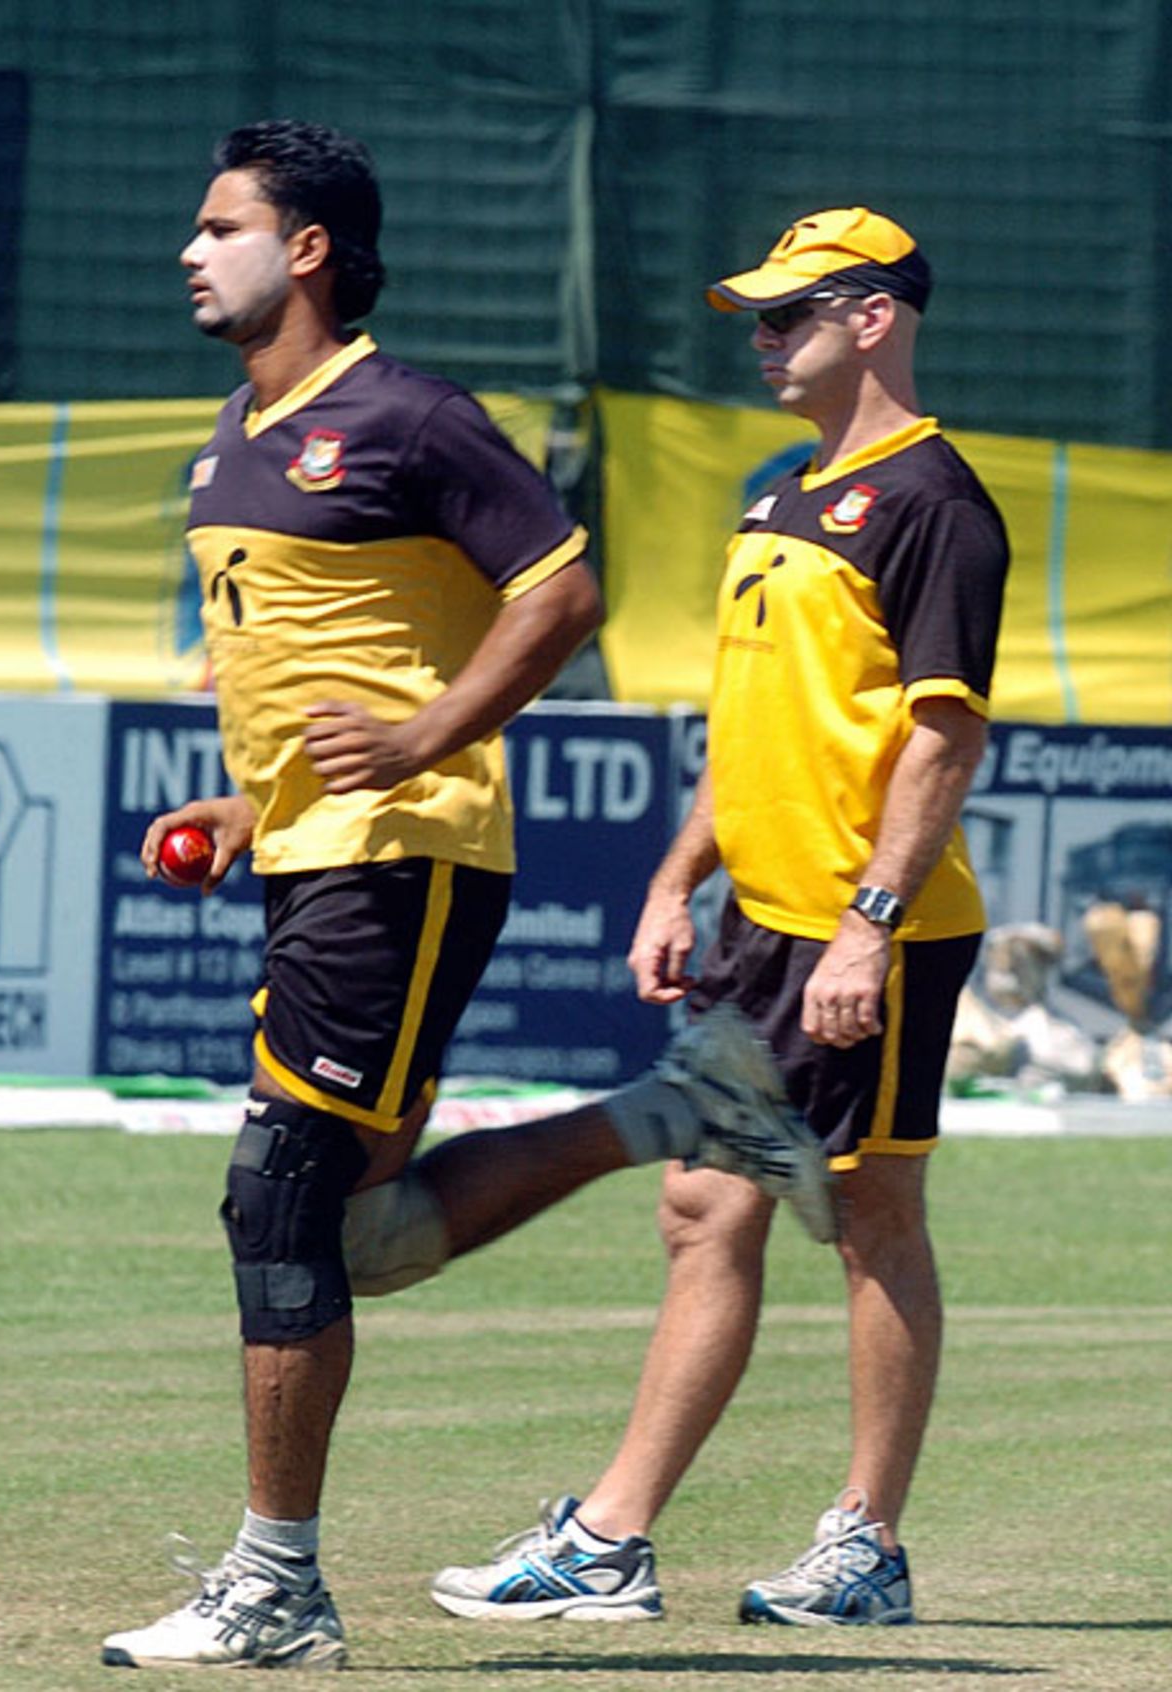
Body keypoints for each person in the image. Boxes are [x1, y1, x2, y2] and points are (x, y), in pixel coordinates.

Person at [100, 122, 831, 1672]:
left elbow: (565, 591)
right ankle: (677, 1109)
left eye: (219, 224)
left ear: (305, 250)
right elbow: (332, 664)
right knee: (352, 1241)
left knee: (279, 1200)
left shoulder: (410, 415)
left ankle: (278, 1585)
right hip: (311, 855)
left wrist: (431, 736)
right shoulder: (231, 438)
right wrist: (250, 801)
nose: (190, 248)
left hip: (405, 857)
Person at [424, 207, 1009, 1626]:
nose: (762, 338)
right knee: (715, 1207)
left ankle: (772, 1543)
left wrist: (867, 923)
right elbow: (753, 728)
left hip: (863, 928)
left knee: (863, 1219)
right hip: (764, 922)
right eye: (756, 316)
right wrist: (674, 874)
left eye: (788, 315)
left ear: (874, 318)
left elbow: (942, 741)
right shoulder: (778, 498)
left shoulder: (934, 502)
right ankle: (662, 1543)